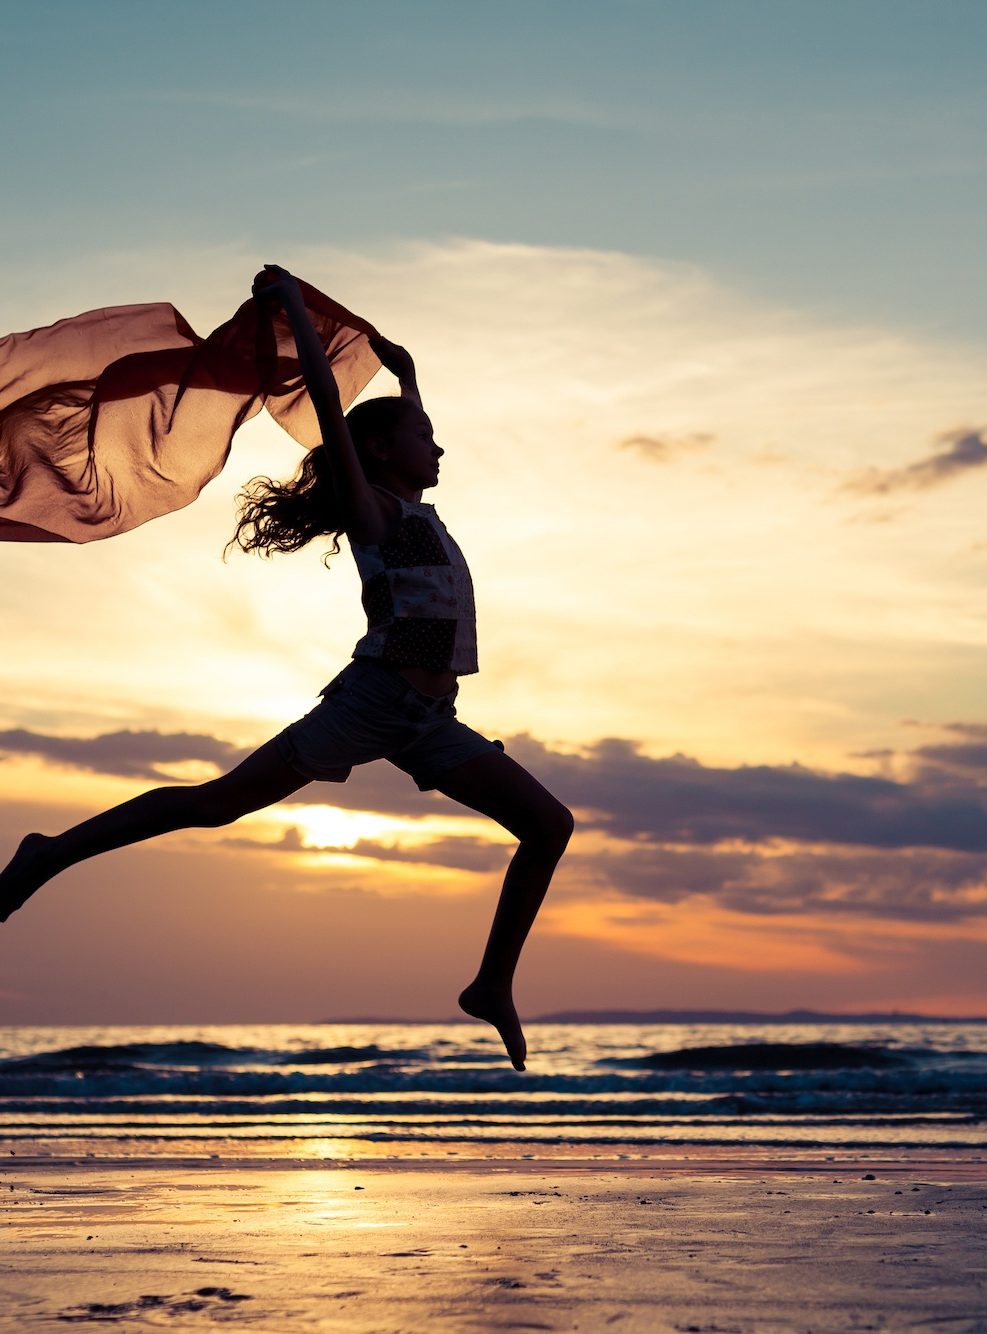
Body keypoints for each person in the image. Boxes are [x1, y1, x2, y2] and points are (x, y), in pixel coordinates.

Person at [0, 265, 573, 1071]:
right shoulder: (375, 511)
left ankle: (490, 985)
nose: (436, 442)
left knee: (549, 826)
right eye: (421, 436)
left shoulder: (414, 505)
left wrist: (405, 371)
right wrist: (299, 314)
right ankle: (46, 854)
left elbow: (403, 414)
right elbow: (336, 415)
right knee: (217, 804)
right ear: (377, 451)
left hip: (428, 722)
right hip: (371, 702)